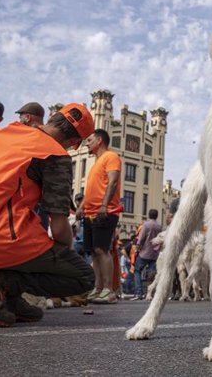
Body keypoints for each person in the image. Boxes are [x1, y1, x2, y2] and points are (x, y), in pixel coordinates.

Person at [0, 103, 96, 327]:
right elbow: (59, 224)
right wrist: (62, 255)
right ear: (75, 143)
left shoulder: (8, 133)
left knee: (27, 238)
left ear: (52, 119)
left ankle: (6, 300)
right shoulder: (54, 154)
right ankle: (2, 284)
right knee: (83, 276)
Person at [77, 128, 122, 305]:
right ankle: (98, 288)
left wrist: (104, 205)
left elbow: (113, 181)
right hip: (90, 213)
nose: (87, 143)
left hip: (105, 212)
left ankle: (108, 291)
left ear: (99, 141)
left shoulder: (111, 157)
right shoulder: (96, 162)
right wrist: (81, 206)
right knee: (94, 253)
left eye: (89, 140)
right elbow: (91, 190)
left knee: (102, 250)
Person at [133, 209, 162, 300]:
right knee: (151, 274)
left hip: (144, 253)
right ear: (157, 216)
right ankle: (149, 294)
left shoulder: (146, 225)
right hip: (155, 254)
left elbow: (141, 238)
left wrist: (137, 247)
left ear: (149, 215)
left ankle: (139, 292)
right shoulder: (159, 226)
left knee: (137, 271)